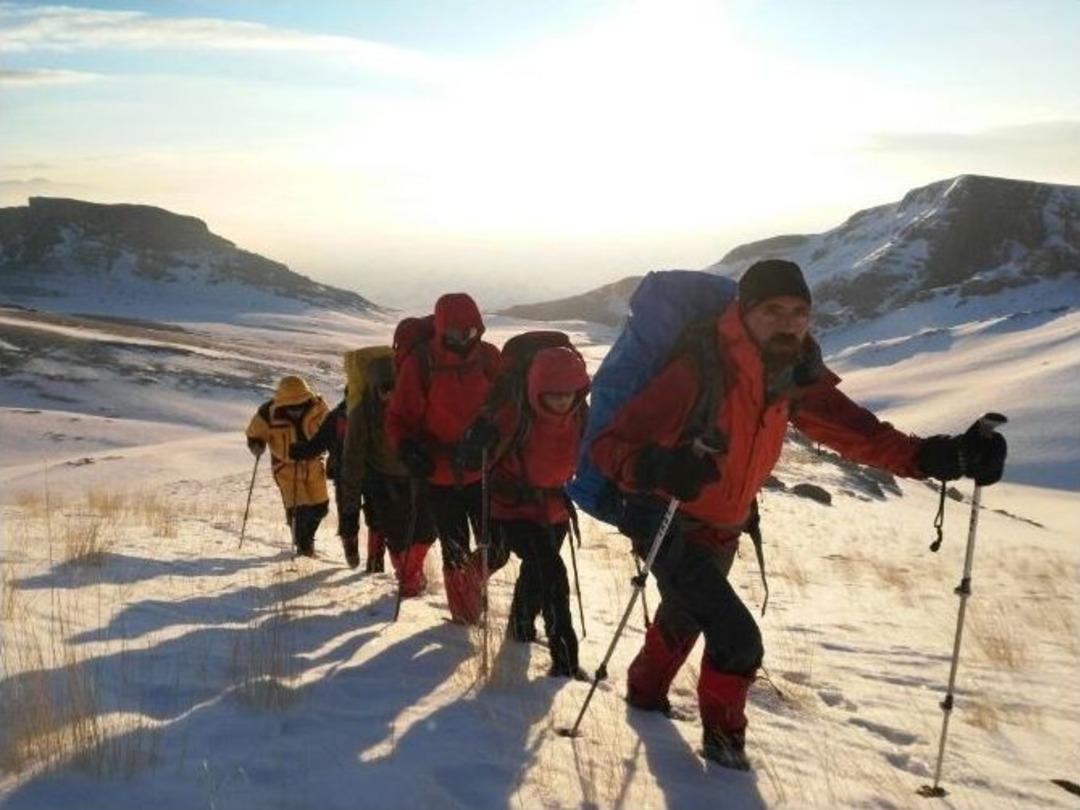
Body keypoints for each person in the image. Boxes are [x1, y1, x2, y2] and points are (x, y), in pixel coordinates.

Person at [589, 259, 1007, 769]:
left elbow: (859, 434)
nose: (788, 322)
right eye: (773, 311)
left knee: (685, 613)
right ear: (743, 312)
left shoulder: (792, 373)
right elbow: (610, 448)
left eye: (799, 312)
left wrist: (938, 457)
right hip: (665, 518)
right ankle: (724, 758)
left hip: (724, 522)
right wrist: (660, 466)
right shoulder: (698, 368)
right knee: (738, 640)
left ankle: (643, 694)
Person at [461, 345, 591, 678]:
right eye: (554, 394)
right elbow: (471, 458)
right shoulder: (513, 414)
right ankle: (565, 658)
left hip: (555, 507)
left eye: (569, 393)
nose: (563, 401)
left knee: (538, 571)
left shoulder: (581, 414)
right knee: (551, 572)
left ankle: (520, 625)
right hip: (512, 508)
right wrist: (476, 445)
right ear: (537, 390)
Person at [386, 293, 501, 624]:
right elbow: (399, 418)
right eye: (455, 333)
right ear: (441, 330)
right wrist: (408, 449)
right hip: (438, 472)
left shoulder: (489, 357)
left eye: (470, 332)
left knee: (498, 543)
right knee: (455, 548)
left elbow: (505, 406)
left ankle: (472, 581)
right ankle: (464, 616)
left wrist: (493, 434)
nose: (464, 339)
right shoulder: (421, 363)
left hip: (482, 468)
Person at [339, 355, 436, 594]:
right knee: (396, 536)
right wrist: (349, 510)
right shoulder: (362, 413)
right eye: (385, 388)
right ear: (374, 388)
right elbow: (352, 459)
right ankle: (409, 580)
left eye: (396, 386)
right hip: (381, 480)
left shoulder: (414, 403)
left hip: (416, 475)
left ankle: (412, 573)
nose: (391, 394)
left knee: (427, 532)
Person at [245, 375, 331, 557]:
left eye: (300, 403)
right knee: (299, 510)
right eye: (292, 405)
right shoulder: (267, 413)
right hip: (286, 468)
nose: (296, 408)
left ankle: (306, 538)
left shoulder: (318, 407)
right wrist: (256, 445)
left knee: (321, 507)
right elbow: (254, 434)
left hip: (314, 463)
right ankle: (304, 547)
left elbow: (331, 429)